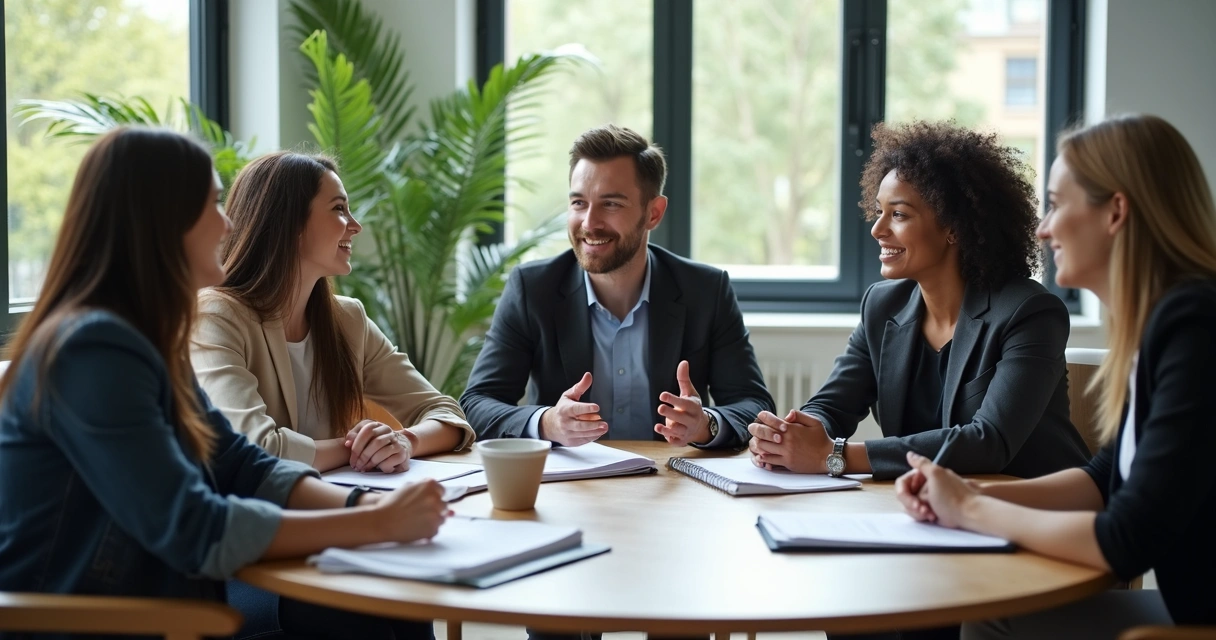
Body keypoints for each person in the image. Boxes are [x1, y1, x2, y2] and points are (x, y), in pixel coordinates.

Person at [0, 127, 450, 640]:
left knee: (385, 602)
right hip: (90, 626)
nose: (229, 222)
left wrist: (366, 505)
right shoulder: (93, 350)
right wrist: (373, 525)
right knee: (363, 609)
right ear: (160, 221)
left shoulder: (144, 340)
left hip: (161, 606)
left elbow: (240, 463)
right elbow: (196, 528)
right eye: (212, 203)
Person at [897, 114, 1216, 638]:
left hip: (1190, 626)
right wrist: (960, 491)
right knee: (987, 605)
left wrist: (973, 508)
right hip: (1183, 612)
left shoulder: (1193, 328)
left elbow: (1123, 539)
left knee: (988, 610)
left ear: (1115, 212)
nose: (1043, 227)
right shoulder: (1165, 324)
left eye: (1056, 204)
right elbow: (1103, 481)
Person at [748, 121, 1090, 484]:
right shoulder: (882, 305)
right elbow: (833, 405)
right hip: (927, 508)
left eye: (898, 214)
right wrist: (788, 435)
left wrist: (833, 455)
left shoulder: (1029, 312)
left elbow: (989, 442)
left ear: (955, 228)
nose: (877, 229)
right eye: (878, 211)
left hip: (1030, 509)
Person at [460, 124, 774, 450]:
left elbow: (753, 406)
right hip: (569, 487)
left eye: (610, 204)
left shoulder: (706, 291)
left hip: (673, 484)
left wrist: (704, 424)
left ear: (653, 213)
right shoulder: (532, 289)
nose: (589, 223)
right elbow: (476, 404)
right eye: (579, 203)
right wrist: (546, 422)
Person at [190, 151, 475, 476]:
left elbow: (447, 414)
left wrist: (404, 441)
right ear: (290, 223)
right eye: (339, 209)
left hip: (341, 508)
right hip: (262, 520)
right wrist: (359, 447)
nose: (356, 226)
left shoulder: (347, 320)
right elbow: (257, 449)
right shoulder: (215, 315)